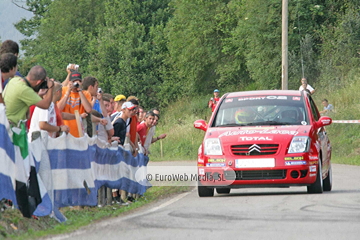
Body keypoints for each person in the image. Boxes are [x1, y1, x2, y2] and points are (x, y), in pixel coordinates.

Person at [57, 71, 92, 137]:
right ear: (69, 82)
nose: (75, 84)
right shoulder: (63, 91)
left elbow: (88, 109)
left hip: (80, 132)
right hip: (65, 131)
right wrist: (68, 92)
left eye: (78, 81)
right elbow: (58, 109)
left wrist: (80, 91)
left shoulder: (85, 93)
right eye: (74, 82)